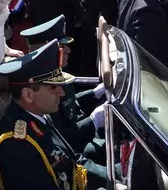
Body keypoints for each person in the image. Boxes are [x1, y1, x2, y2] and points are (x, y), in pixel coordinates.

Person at [0, 39, 119, 190]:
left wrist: (113, 182)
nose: (61, 92)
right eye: (53, 87)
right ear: (28, 95)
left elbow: (73, 162)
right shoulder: (17, 142)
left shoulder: (37, 115)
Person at [20, 15, 106, 161]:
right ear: (45, 51)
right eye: (62, 47)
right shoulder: (41, 87)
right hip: (73, 146)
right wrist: (93, 122)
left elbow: (69, 102)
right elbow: (60, 138)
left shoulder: (58, 74)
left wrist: (94, 94)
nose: (68, 51)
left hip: (78, 131)